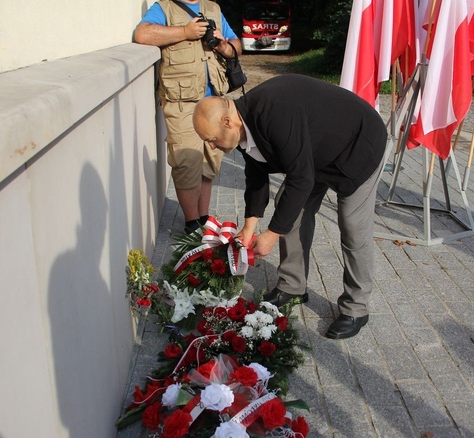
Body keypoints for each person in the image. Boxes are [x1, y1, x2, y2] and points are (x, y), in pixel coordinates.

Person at [192, 75, 389, 340]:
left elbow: (301, 178)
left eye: (211, 138)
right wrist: (249, 227)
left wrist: (271, 236)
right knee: (289, 206)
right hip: (316, 152)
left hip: (358, 144)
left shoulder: (274, 113)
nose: (211, 145)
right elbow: (256, 173)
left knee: (353, 224)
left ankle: (357, 307)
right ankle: (292, 286)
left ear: (227, 122)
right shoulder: (242, 123)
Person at [134, 1, 242, 233]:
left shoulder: (213, 8)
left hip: (215, 103)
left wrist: (225, 47)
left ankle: (204, 220)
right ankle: (191, 225)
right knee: (186, 163)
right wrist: (184, 32)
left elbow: (237, 45)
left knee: (209, 163)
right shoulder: (164, 8)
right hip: (181, 103)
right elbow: (142, 34)